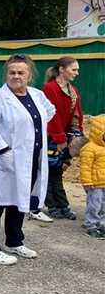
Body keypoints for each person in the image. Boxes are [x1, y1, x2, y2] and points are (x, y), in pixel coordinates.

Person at [0, 54, 56, 266]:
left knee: (19, 200)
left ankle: (14, 241)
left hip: (30, 159)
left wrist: (30, 130)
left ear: (29, 75)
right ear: (6, 74)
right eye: (12, 72)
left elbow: (49, 111)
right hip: (5, 160)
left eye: (21, 72)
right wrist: (4, 150)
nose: (16, 76)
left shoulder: (37, 95)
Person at [41, 56, 84, 221]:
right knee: (50, 172)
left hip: (65, 137)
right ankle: (53, 206)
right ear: (61, 69)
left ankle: (62, 206)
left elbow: (77, 115)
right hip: (52, 137)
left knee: (58, 172)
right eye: (74, 69)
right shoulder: (50, 88)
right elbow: (52, 117)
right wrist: (60, 139)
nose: (77, 73)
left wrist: (77, 134)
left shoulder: (72, 90)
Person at [79, 115, 105, 239]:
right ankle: (91, 224)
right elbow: (85, 167)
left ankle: (102, 224)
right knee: (94, 205)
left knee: (103, 205)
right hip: (95, 184)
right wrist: (87, 181)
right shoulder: (89, 149)